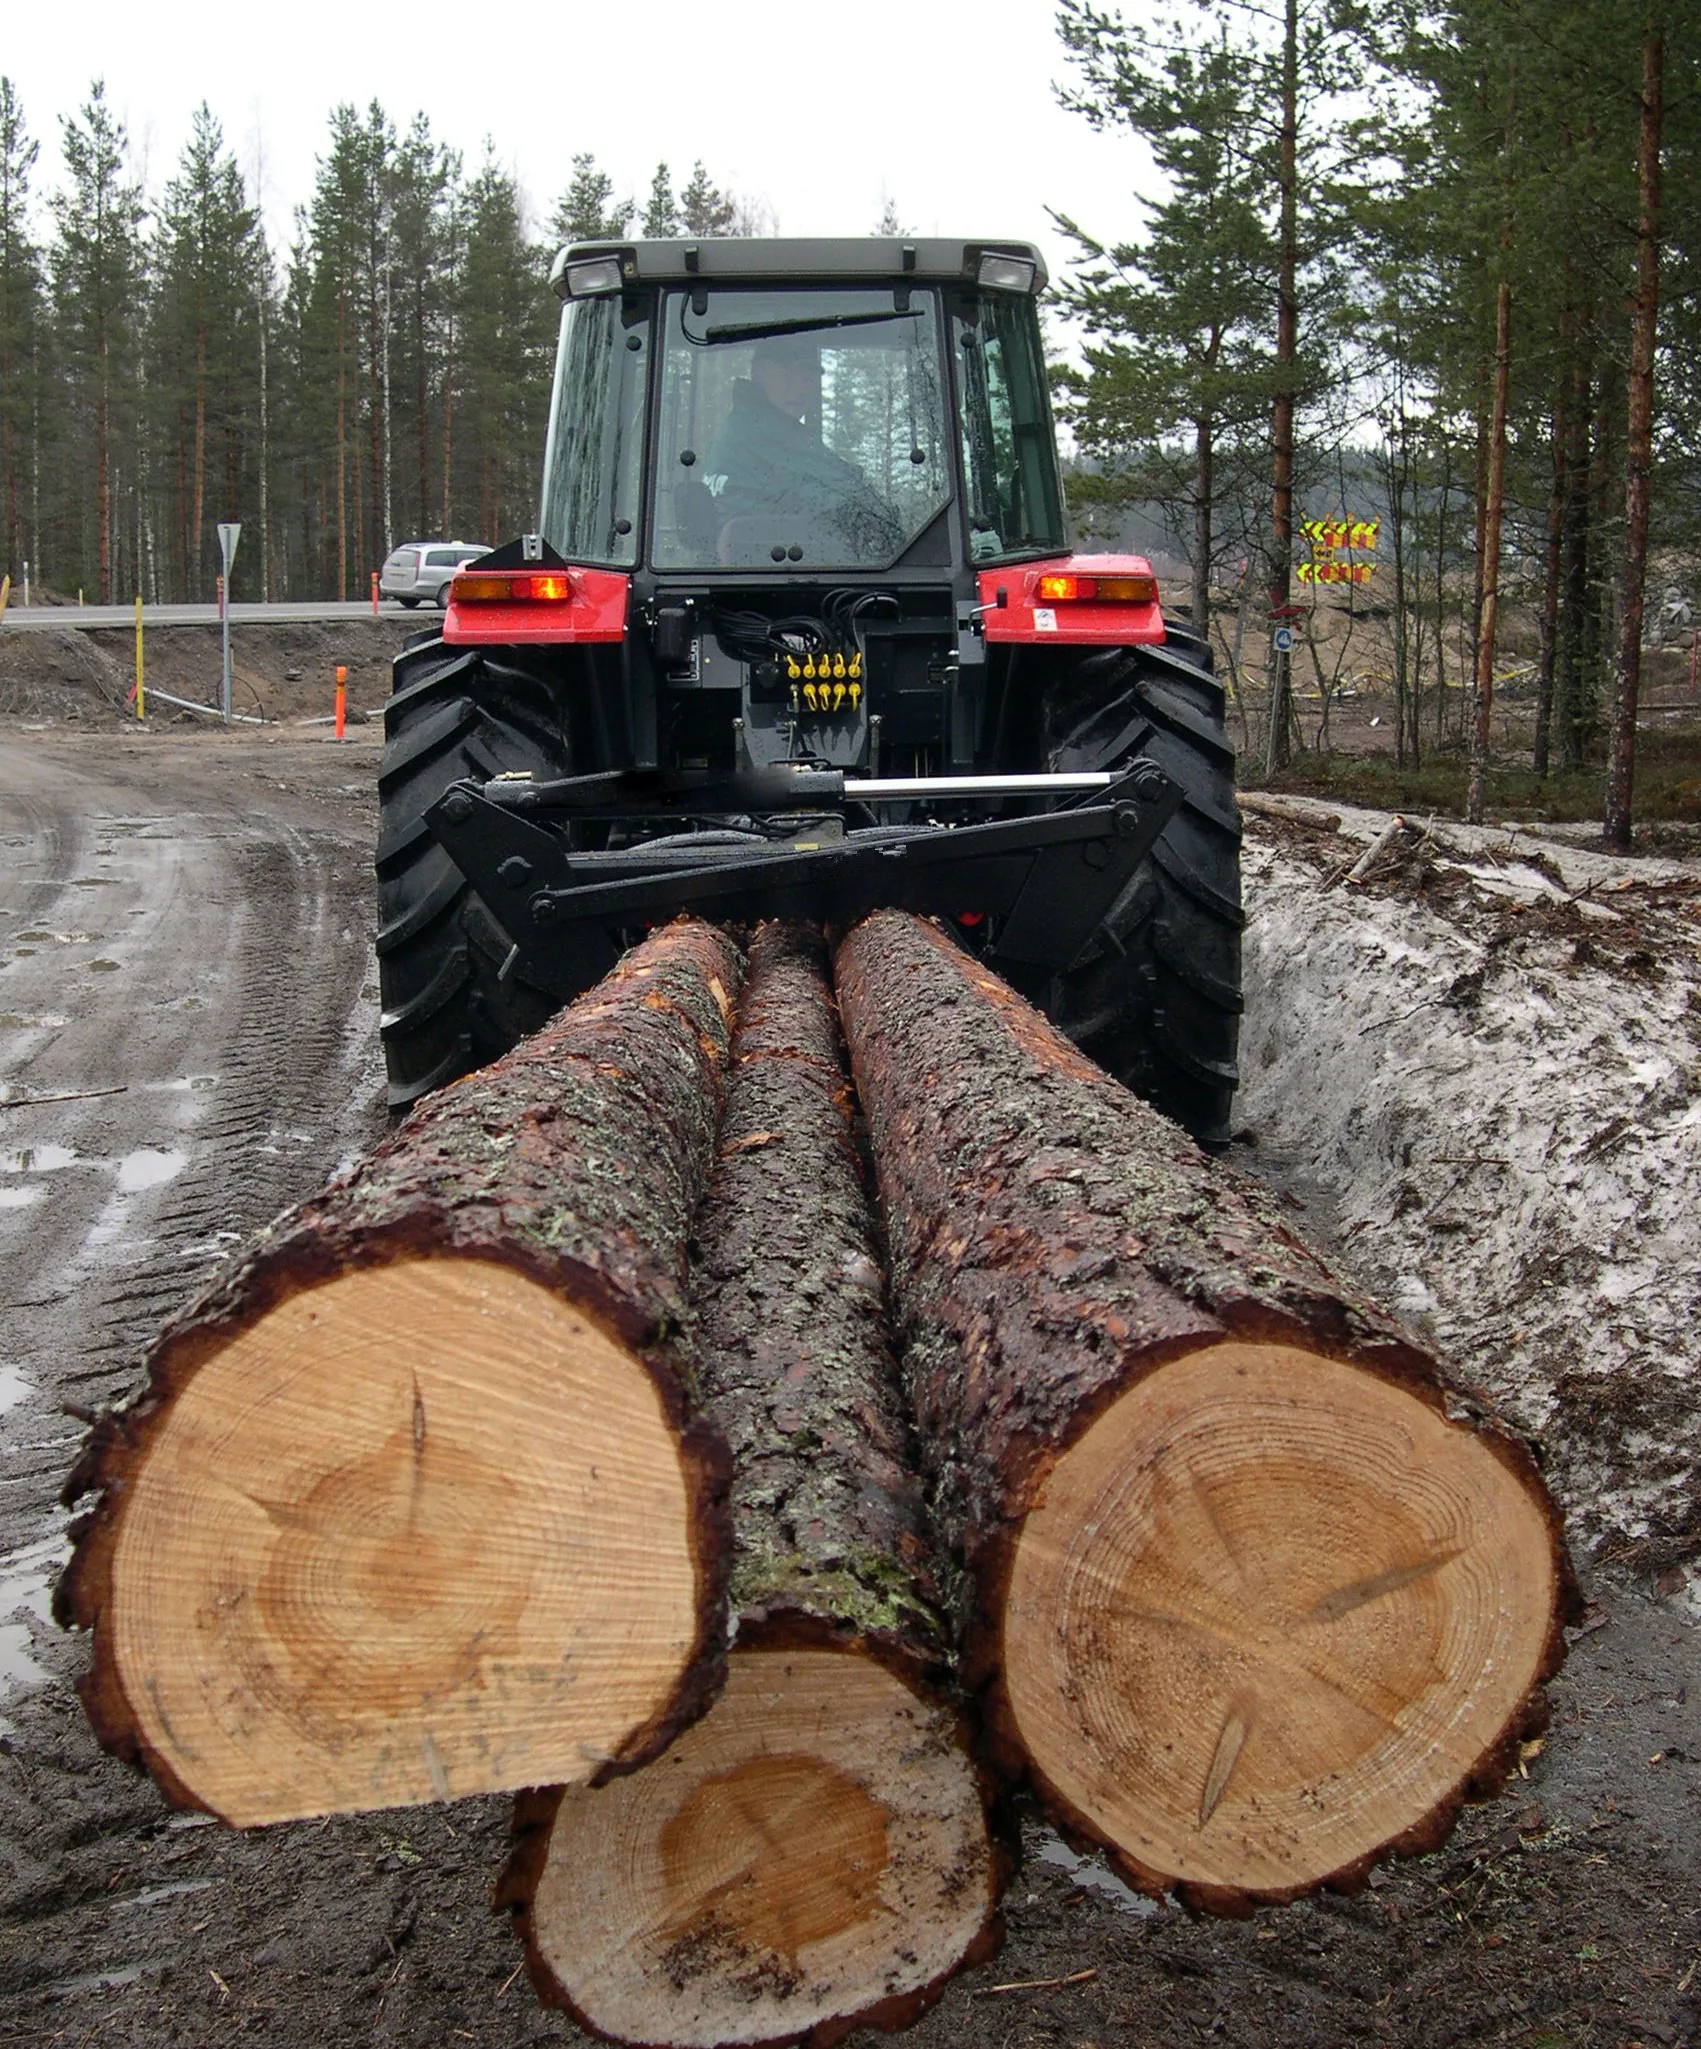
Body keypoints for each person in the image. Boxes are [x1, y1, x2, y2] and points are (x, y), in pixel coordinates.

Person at [705, 335, 901, 562]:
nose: (798, 388)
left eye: (807, 379)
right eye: (787, 374)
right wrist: (882, 518)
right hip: (765, 566)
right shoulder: (762, 432)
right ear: (758, 372)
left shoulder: (749, 425)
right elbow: (835, 492)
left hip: (774, 557)